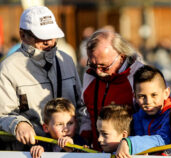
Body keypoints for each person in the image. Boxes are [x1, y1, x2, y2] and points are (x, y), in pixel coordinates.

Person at [0, 6, 89, 150]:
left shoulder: (66, 60)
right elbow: (2, 115)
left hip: (71, 152)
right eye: (41, 37)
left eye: (51, 35)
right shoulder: (8, 68)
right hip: (30, 155)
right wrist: (18, 124)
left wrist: (82, 137)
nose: (48, 42)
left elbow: (81, 105)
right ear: (23, 35)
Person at [82, 29, 144, 150]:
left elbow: (164, 112)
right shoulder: (90, 76)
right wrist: (83, 137)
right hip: (96, 156)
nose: (98, 72)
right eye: (93, 65)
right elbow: (84, 112)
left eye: (104, 66)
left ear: (121, 57)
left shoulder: (141, 76)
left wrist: (133, 145)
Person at [115, 65, 171, 158]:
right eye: (142, 96)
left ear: (166, 93)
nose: (148, 101)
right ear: (134, 96)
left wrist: (129, 143)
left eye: (154, 95)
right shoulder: (136, 117)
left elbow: (163, 140)